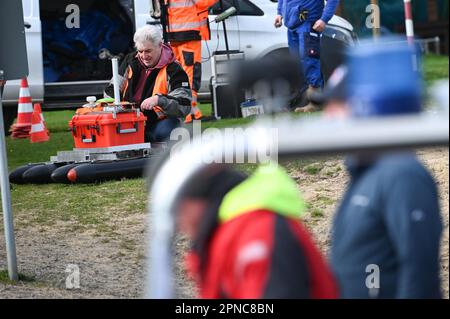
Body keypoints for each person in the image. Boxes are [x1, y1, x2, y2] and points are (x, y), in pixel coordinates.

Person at [321, 41, 443, 298]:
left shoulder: (401, 174)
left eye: (337, 105)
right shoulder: (366, 171)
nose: (328, 117)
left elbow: (419, 275)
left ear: (364, 106)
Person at [176, 164, 339, 298]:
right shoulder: (228, 234)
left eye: (175, 210)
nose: (177, 222)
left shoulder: (255, 232)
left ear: (192, 201)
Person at [104, 25, 191, 143]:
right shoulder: (130, 60)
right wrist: (111, 105)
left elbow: (184, 105)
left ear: (160, 45)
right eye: (140, 51)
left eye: (148, 51)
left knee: (169, 131)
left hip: (158, 122)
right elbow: (111, 89)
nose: (144, 56)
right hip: (127, 121)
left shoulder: (174, 70)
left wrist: (159, 100)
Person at [274, 0, 339, 113]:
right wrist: (279, 13)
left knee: (309, 61)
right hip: (292, 26)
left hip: (308, 24)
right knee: (297, 64)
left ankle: (316, 103)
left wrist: (324, 19)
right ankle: (306, 101)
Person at [159, 0, 218, 123]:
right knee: (191, 72)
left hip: (172, 32)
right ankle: (190, 114)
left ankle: (187, 111)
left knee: (178, 72)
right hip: (189, 31)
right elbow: (203, 2)